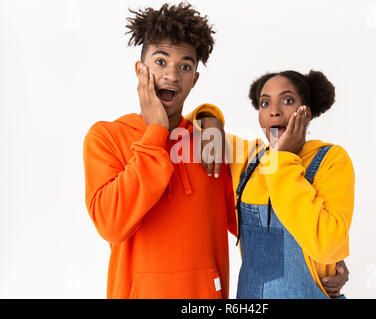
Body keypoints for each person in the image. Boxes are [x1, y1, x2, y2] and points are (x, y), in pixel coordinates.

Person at [82, 3, 237, 299]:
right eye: (161, 61)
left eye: (185, 66)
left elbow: (253, 221)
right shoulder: (106, 137)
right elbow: (111, 224)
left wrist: (323, 264)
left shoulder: (211, 142)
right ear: (140, 70)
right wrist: (156, 134)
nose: (172, 75)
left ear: (195, 79)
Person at [190, 70, 354, 298]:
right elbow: (188, 130)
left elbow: (327, 244)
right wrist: (211, 119)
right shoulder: (248, 159)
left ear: (306, 112)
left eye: (287, 101)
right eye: (265, 103)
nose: (274, 111)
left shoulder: (331, 160)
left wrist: (283, 159)